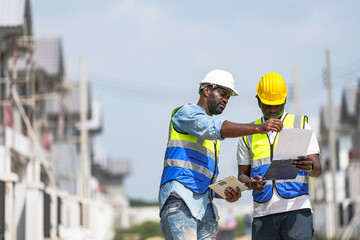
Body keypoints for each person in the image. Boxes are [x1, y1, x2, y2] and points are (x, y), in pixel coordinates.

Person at [159, 69, 283, 240]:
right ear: (207, 90)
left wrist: (228, 191)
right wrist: (258, 128)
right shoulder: (186, 114)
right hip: (180, 201)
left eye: (228, 97)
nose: (225, 100)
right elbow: (215, 127)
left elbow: (205, 183)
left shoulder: (214, 142)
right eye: (223, 94)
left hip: (205, 207)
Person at [237, 72, 322, 240]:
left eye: (277, 104)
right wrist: (250, 183)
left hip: (297, 211)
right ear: (258, 100)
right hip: (263, 214)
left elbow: (317, 169)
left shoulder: (301, 125)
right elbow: (242, 176)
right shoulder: (248, 133)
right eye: (268, 105)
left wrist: (309, 166)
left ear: (285, 99)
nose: (273, 110)